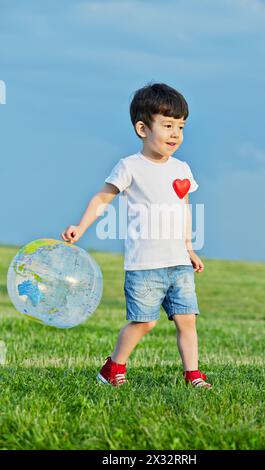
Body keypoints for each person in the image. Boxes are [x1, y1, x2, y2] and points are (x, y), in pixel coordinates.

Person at [61, 82, 211, 389]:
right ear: (143, 128)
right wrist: (81, 226)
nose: (175, 134)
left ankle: (193, 375)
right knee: (144, 322)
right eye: (167, 125)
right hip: (145, 264)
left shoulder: (182, 168)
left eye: (181, 127)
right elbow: (103, 198)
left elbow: (183, 210)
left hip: (178, 263)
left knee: (187, 321)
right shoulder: (130, 167)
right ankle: (113, 367)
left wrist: (189, 248)